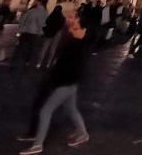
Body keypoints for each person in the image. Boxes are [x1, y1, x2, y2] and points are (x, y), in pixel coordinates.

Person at [17, 9, 90, 154]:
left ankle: (38, 144)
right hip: (70, 80)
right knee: (70, 109)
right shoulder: (73, 34)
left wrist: (56, 77)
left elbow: (71, 63)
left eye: (71, 17)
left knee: (45, 111)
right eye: (67, 17)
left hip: (66, 80)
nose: (67, 19)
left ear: (78, 20)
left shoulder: (76, 38)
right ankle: (83, 133)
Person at [15, 0, 48, 66]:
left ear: (39, 3)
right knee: (32, 48)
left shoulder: (30, 11)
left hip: (25, 31)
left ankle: (17, 60)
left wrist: (19, 31)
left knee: (21, 46)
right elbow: (42, 24)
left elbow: (22, 21)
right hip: (35, 33)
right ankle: (28, 61)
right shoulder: (44, 13)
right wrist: (40, 32)